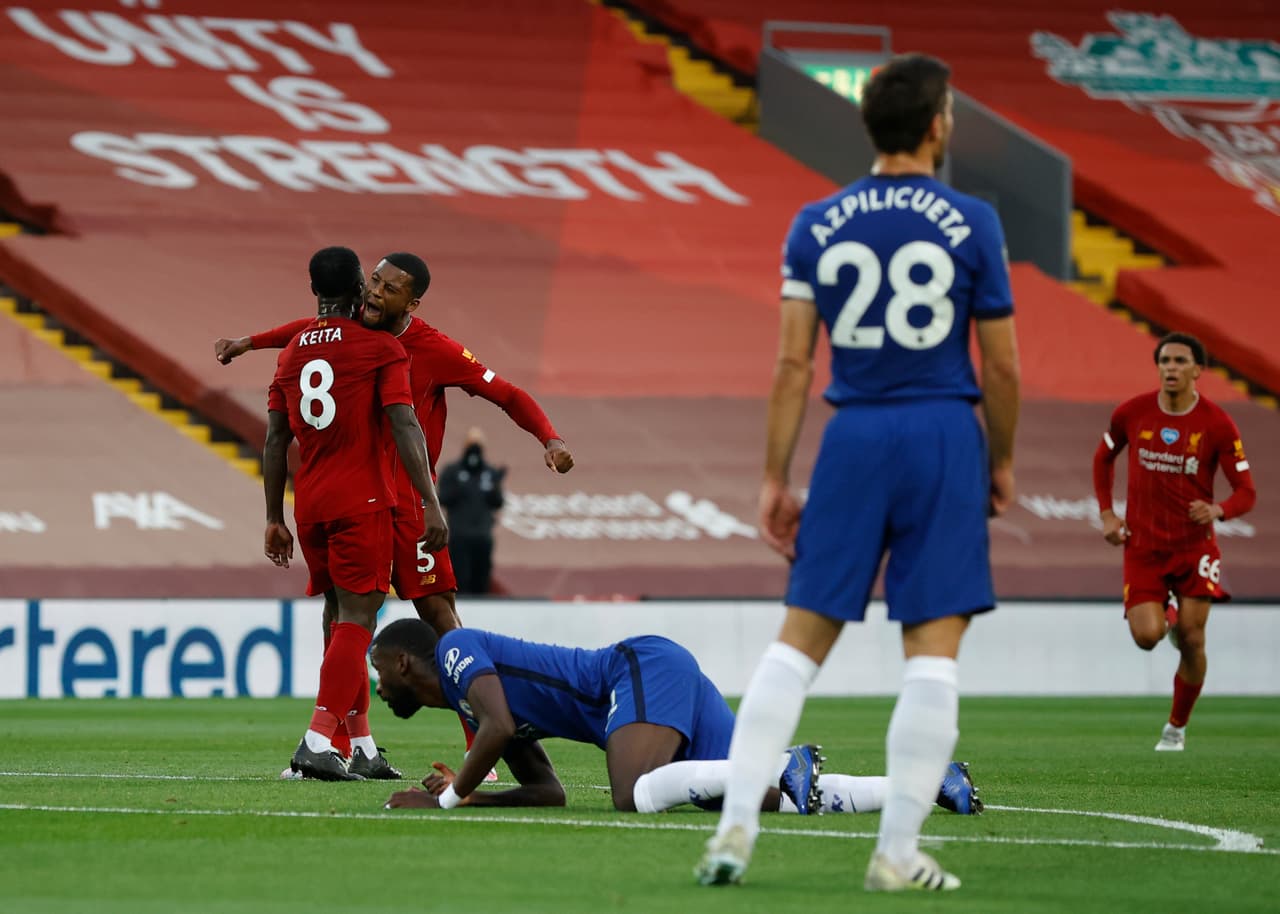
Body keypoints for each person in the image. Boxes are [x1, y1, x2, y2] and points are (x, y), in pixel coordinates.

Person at [695, 53, 1020, 893]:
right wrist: (1003, 456)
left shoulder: (816, 222)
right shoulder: (972, 220)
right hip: (944, 430)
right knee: (933, 656)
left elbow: (793, 365)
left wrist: (774, 477)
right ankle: (896, 852)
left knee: (797, 643)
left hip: (854, 436)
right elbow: (1005, 368)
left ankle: (734, 829)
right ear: (938, 123)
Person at [217, 252, 573, 761]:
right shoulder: (357, 328)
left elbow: (508, 394)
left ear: (413, 302)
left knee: (438, 616)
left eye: (389, 288)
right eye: (375, 282)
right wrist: (249, 342)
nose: (375, 295)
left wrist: (550, 438)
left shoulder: (434, 348)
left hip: (408, 502)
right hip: (361, 496)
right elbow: (310, 326)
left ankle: (481, 744)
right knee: (339, 613)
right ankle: (346, 743)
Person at [367, 618, 983, 818]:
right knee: (757, 798)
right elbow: (548, 792)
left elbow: (501, 728)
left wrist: (447, 801)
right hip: (651, 689)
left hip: (637, 671)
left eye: (378, 673)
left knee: (633, 795)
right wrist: (478, 799)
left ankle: (774, 761)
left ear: (402, 660)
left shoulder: (454, 649)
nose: (377, 687)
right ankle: (929, 788)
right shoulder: (473, 708)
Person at [263, 246, 448, 781]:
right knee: (358, 620)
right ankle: (318, 740)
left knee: (339, 616)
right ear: (359, 285)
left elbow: (276, 439)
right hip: (361, 500)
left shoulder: (292, 351)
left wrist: (273, 515)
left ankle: (361, 745)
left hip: (310, 504)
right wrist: (430, 502)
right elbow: (405, 425)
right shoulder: (380, 347)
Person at [1092, 332, 1256, 752]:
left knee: (1193, 639)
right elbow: (1103, 457)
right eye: (1165, 360)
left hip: (1194, 548)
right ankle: (1166, 613)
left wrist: (1219, 510)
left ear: (1198, 370)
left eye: (1180, 361)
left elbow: (1246, 492)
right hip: (1143, 547)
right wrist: (1108, 513)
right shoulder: (1133, 413)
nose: (1171, 367)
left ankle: (1176, 728)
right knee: (1147, 637)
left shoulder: (1218, 424)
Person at [437, 427, 506, 594]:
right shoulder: (452, 471)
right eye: (472, 443)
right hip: (459, 537)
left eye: (478, 443)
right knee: (460, 580)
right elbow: (442, 498)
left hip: (483, 537)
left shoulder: (489, 473)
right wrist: (460, 487)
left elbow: (498, 503)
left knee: (481, 581)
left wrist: (496, 484)